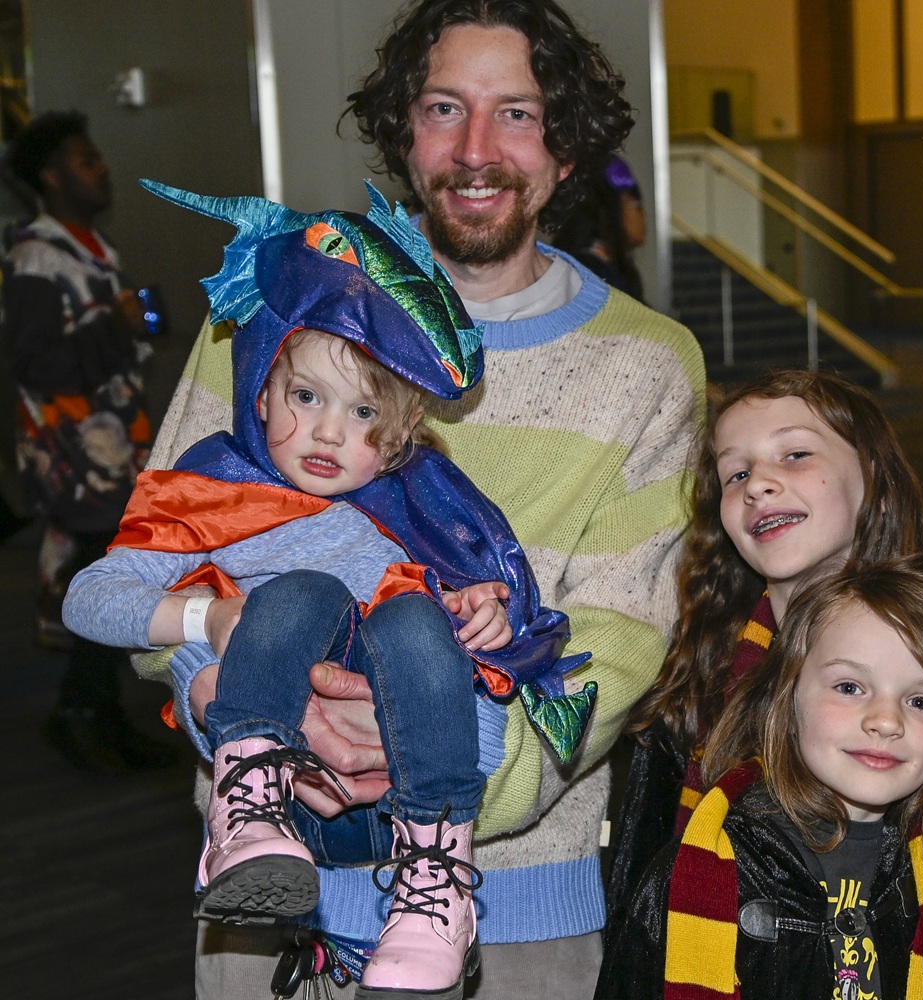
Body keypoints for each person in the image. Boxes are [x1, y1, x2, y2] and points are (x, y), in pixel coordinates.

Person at [137, 1, 705, 996]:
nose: (477, 149)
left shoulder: (649, 366)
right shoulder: (275, 303)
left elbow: (617, 642)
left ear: (567, 149)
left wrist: (436, 771)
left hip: (511, 898)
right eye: (445, 108)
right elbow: (162, 554)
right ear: (403, 130)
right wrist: (225, 696)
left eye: (518, 115)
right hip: (271, 891)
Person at [66, 182, 600, 998]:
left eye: (363, 416)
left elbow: (488, 664)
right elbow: (88, 599)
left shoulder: (422, 507)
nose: (325, 433)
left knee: (419, 617)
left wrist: (481, 616)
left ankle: (436, 877)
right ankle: (249, 808)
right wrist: (213, 622)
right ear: (260, 387)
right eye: (305, 397)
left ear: (397, 445)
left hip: (423, 762)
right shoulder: (209, 490)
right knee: (303, 591)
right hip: (288, 779)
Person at [603, 370, 923, 945]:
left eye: (796, 453)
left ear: (871, 476)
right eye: (737, 473)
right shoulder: (703, 670)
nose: (758, 485)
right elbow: (644, 880)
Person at [598, 556, 923, 1000]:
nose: (886, 721)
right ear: (788, 700)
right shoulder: (697, 873)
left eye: (921, 700)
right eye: (849, 687)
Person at [1, 110, 173, 773]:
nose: (100, 168)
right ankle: (83, 715)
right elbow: (37, 364)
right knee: (103, 578)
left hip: (107, 449)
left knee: (107, 575)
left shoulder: (89, 248)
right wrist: (119, 324)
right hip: (74, 454)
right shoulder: (39, 257)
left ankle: (92, 714)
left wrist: (126, 324)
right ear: (49, 177)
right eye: (83, 160)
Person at [549, 155, 646, 299]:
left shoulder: (582, 265)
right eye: (635, 204)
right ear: (610, 209)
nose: (643, 215)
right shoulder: (591, 272)